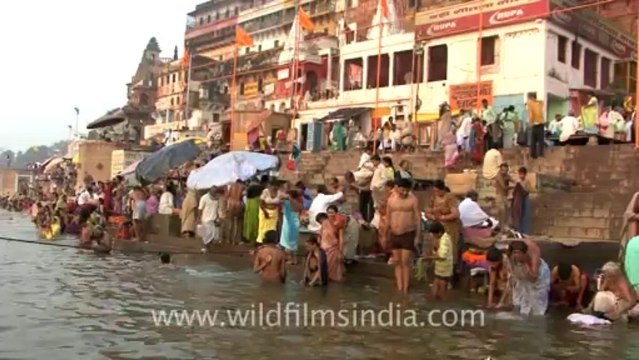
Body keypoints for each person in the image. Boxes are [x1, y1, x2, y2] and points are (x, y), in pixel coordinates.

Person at [386, 178, 420, 294]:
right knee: (397, 261)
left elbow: (418, 219)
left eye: (406, 190)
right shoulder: (391, 200)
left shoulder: (413, 200)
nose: (404, 193)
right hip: (394, 234)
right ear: (396, 188)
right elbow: (388, 218)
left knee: (405, 262)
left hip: (407, 233)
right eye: (402, 190)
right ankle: (400, 287)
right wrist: (384, 234)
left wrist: (417, 236)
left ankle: (405, 289)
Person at [509, 238, 551, 316]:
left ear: (524, 253)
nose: (516, 255)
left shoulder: (534, 252)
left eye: (519, 253)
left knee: (537, 307)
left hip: (538, 276)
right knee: (521, 303)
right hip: (523, 269)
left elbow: (533, 278)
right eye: (514, 253)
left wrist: (526, 266)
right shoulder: (512, 255)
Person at [426, 180, 460, 266]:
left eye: (437, 190)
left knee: (449, 248)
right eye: (434, 191)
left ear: (443, 189)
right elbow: (427, 212)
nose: (436, 193)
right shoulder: (433, 197)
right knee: (437, 247)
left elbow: (455, 214)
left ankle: (452, 270)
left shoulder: (449, 197)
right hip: (437, 228)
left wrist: (442, 218)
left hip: (449, 227)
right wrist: (433, 217)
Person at [423, 222, 452, 299]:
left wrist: (429, 258)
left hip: (445, 266)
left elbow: (442, 256)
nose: (433, 236)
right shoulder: (441, 238)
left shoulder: (445, 240)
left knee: (442, 283)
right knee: (436, 281)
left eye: (434, 234)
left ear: (439, 232)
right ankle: (435, 300)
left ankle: (441, 301)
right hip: (440, 266)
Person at [316, 212, 344, 282]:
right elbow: (320, 238)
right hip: (325, 249)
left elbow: (340, 240)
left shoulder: (337, 226)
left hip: (332, 249)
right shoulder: (324, 226)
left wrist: (340, 252)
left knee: (329, 268)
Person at [280, 190, 303, 264]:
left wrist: (286, 197)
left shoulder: (287, 203)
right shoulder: (299, 204)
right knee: (294, 241)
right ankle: (295, 259)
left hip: (288, 224)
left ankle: (290, 259)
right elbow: (300, 208)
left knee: (287, 242)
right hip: (295, 223)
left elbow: (279, 199)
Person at [199, 186, 224, 252]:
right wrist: (198, 219)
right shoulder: (204, 198)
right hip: (205, 219)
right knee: (204, 236)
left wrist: (218, 217)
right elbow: (200, 209)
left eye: (215, 191)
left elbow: (218, 209)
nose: (214, 192)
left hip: (213, 219)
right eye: (213, 191)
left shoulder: (217, 198)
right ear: (210, 190)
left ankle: (208, 248)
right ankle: (206, 248)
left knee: (213, 235)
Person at [244, 178, 266, 243]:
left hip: (251, 206)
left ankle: (251, 238)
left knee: (250, 222)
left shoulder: (250, 188)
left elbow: (247, 198)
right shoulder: (262, 188)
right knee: (259, 222)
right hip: (259, 205)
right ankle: (259, 237)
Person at [511, 166, 532, 234]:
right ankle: (519, 230)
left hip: (525, 199)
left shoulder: (527, 181)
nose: (521, 175)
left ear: (525, 174)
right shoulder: (517, 182)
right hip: (518, 200)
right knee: (519, 215)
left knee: (525, 215)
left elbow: (528, 190)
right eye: (520, 174)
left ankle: (525, 231)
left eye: (522, 174)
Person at [526, 92, 545, 159]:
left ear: (531, 97)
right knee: (540, 140)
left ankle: (533, 155)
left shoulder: (530, 103)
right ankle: (540, 155)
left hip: (534, 123)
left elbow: (531, 114)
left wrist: (530, 123)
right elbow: (542, 103)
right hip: (540, 123)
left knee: (533, 140)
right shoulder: (539, 103)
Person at [226, 180, 246, 244]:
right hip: (238, 204)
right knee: (237, 223)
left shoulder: (231, 186)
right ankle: (234, 240)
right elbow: (243, 197)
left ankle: (228, 239)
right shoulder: (243, 187)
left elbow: (227, 195)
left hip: (231, 204)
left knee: (230, 223)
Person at [494, 163, 512, 228]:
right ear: (501, 169)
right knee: (502, 211)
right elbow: (504, 187)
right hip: (499, 196)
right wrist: (513, 186)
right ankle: (501, 227)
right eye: (503, 170)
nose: (504, 172)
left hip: (505, 196)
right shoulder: (499, 176)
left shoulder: (506, 175)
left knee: (507, 210)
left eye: (506, 170)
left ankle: (505, 226)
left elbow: (512, 179)